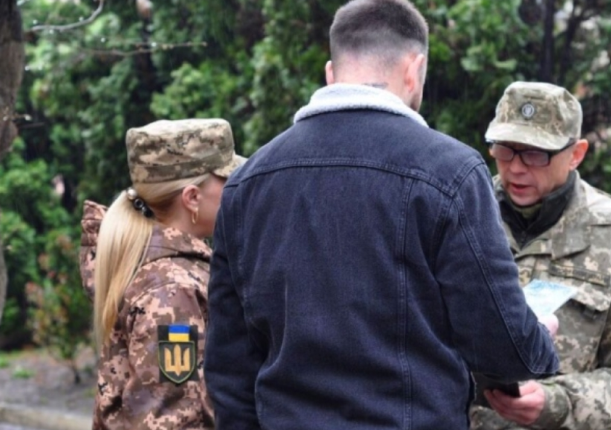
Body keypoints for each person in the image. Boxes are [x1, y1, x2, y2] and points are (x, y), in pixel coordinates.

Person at [204, 1, 559, 429]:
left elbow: (229, 366)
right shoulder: (450, 171)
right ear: (415, 69)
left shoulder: (247, 183)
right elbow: (502, 343)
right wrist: (539, 337)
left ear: (332, 73)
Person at [469, 81, 611, 430]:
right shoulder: (460, 214)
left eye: (536, 153)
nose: (517, 168)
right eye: (506, 149)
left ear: (576, 154)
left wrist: (559, 403)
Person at [79, 119, 245, 429]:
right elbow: (176, 418)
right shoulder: (171, 289)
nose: (236, 190)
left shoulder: (155, 265)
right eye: (227, 179)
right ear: (192, 198)